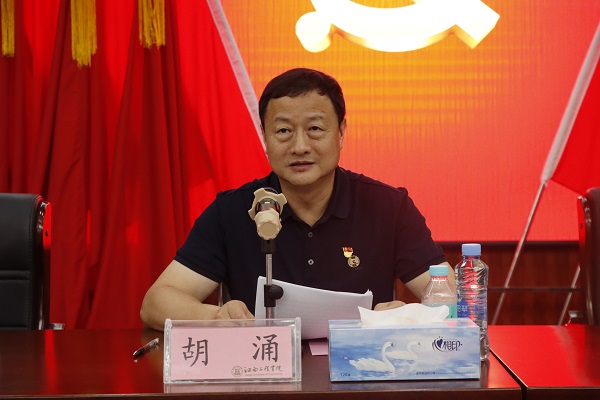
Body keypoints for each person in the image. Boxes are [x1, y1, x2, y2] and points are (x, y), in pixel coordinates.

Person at [140, 68, 453, 330]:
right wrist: (216, 317)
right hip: (264, 373)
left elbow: (449, 296)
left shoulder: (388, 207)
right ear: (265, 136)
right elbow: (156, 302)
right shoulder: (231, 212)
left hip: (361, 372)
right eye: (283, 131)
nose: (300, 146)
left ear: (341, 132)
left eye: (315, 128)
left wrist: (408, 316)